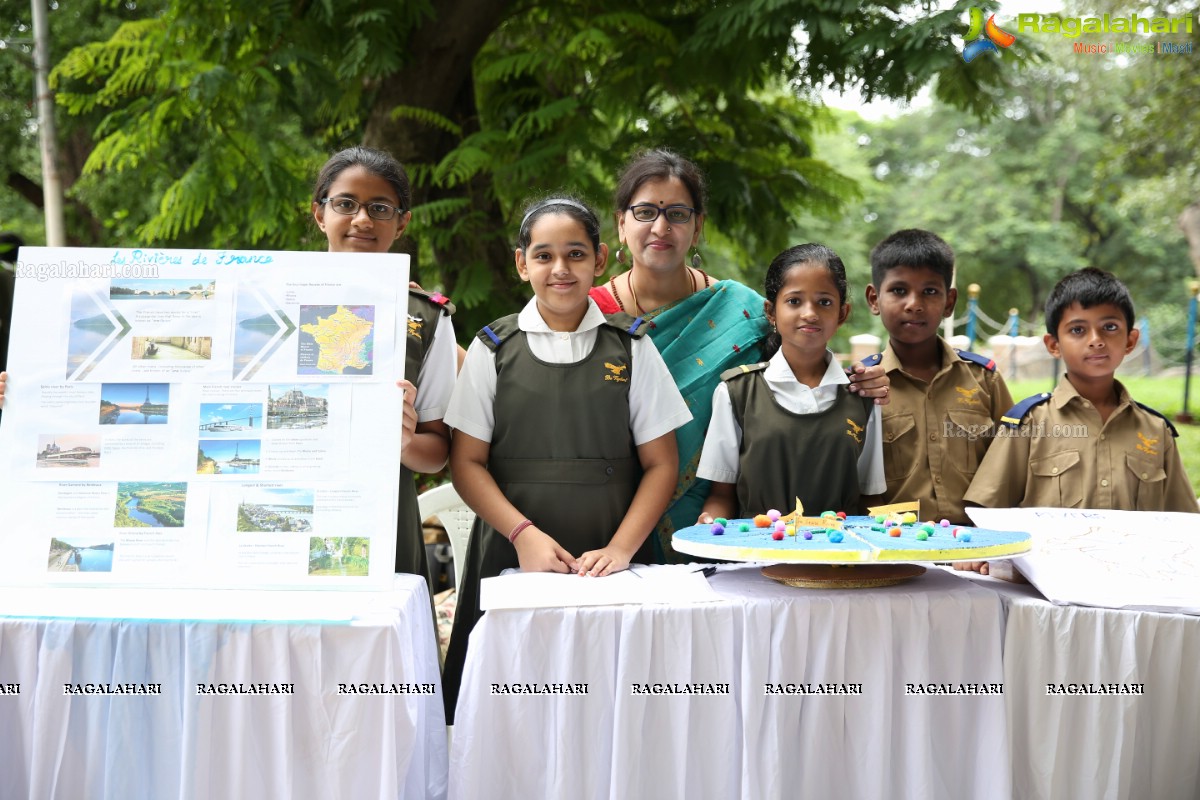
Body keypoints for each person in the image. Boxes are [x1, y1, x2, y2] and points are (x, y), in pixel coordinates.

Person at [441, 195, 691, 719]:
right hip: (510, 552)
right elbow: (466, 463)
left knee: (611, 704)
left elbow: (661, 464)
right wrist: (522, 536)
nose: (560, 269)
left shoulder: (631, 346)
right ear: (521, 262)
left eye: (575, 254)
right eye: (544, 255)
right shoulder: (493, 348)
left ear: (600, 259)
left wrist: (622, 549)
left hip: (609, 559)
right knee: (508, 705)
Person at [589, 149, 890, 560]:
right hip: (602, 523)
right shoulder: (587, 314)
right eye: (645, 212)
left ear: (697, 228)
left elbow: (801, 361)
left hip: (713, 527)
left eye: (678, 213)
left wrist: (861, 381)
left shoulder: (740, 311)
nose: (661, 227)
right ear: (621, 223)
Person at [311, 146, 458, 587]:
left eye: (380, 208)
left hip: (381, 515)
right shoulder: (272, 297)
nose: (362, 220)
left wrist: (402, 440)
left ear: (402, 221)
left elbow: (437, 454)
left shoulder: (425, 319)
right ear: (320, 214)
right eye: (345, 204)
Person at [964, 267, 1198, 533]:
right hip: (1045, 572)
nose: (1096, 341)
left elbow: (1185, 523)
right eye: (1077, 330)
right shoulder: (1028, 424)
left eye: (1109, 327)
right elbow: (986, 514)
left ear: (1131, 340)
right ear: (1053, 344)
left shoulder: (1156, 431)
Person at [696, 243, 885, 521]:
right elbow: (721, 494)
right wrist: (709, 523)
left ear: (842, 313)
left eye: (824, 302)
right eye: (794, 301)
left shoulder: (862, 397)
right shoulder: (737, 393)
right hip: (758, 556)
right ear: (771, 311)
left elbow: (871, 497)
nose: (810, 313)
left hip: (840, 557)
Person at [862, 229, 1012, 524]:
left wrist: (987, 533)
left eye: (929, 291)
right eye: (899, 290)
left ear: (949, 302)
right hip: (896, 547)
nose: (914, 304)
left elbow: (1011, 463)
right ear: (874, 299)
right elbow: (858, 484)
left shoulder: (984, 381)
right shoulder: (862, 387)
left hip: (977, 547)